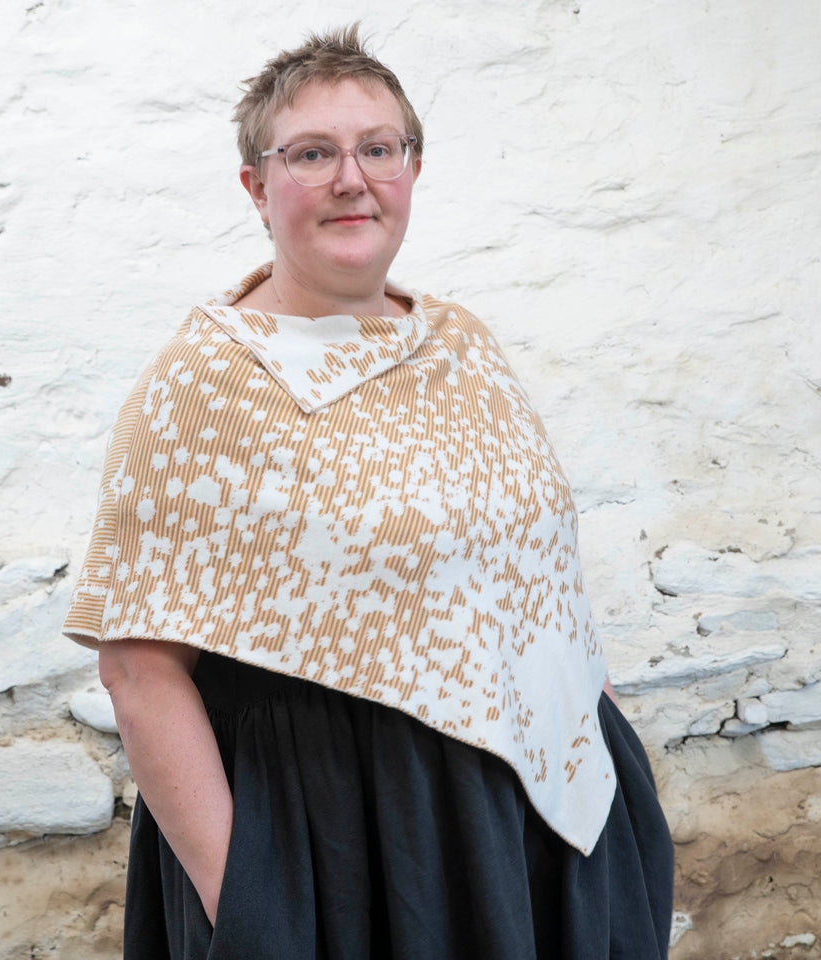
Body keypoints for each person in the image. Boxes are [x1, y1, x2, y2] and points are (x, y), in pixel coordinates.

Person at [64, 25, 674, 960]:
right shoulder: (205, 386)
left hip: (544, 829)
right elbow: (140, 673)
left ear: (411, 168)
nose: (352, 178)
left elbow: (537, 571)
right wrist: (257, 905)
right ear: (256, 186)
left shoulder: (462, 342)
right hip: (350, 853)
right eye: (312, 153)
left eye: (378, 148)